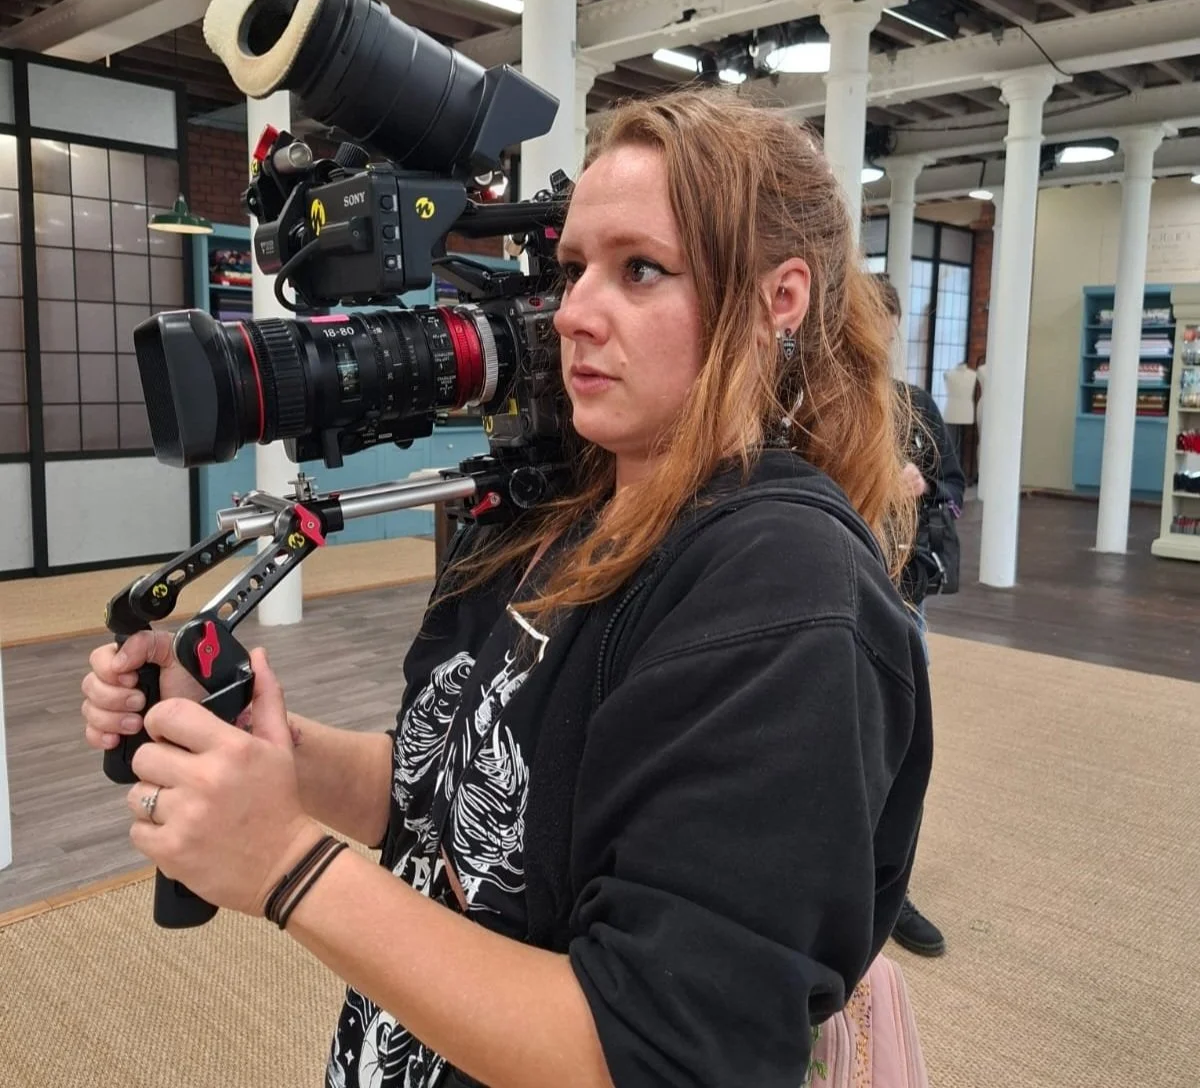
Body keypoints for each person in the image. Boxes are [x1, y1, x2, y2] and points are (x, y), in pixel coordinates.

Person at [81, 89, 933, 1088]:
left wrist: (286, 864)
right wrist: (279, 759)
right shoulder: (559, 513)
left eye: (641, 270)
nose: (575, 312)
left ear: (777, 301)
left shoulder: (784, 597)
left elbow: (657, 1052)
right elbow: (465, 803)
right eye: (574, 269)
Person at [878, 273, 965, 959]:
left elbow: (957, 488)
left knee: (906, 749)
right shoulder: (807, 407)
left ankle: (890, 887)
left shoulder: (915, 407)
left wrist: (926, 482)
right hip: (822, 590)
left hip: (902, 594)